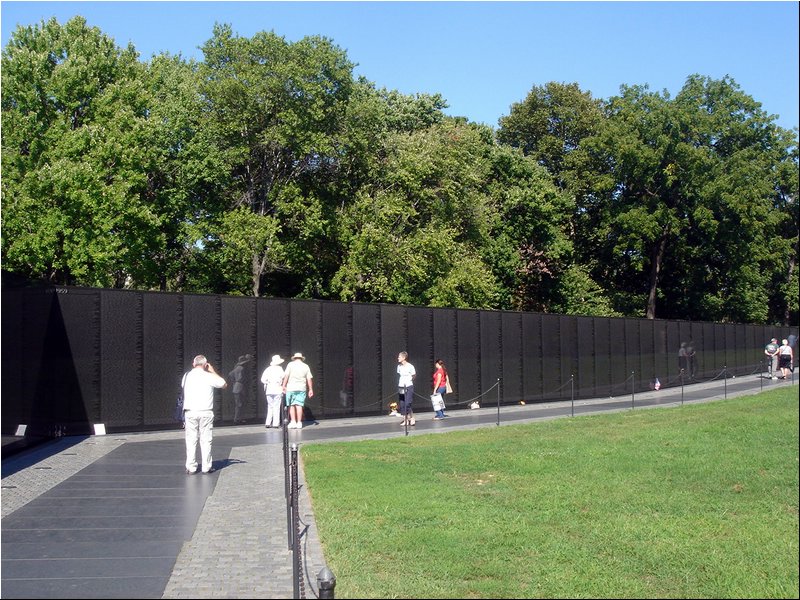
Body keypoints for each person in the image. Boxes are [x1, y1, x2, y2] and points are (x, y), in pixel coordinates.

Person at [182, 355, 227, 474]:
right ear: (205, 365)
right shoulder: (209, 376)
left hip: (190, 411)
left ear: (193, 364)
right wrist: (212, 371)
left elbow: (183, 387)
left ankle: (191, 467)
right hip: (205, 412)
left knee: (191, 440)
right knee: (206, 440)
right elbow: (224, 384)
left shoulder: (186, 376)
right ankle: (206, 466)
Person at [282, 352, 314, 429]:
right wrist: (310, 389)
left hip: (291, 387)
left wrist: (283, 385)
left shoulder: (290, 364)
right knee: (299, 405)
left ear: (294, 358)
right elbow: (309, 378)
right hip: (301, 388)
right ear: (301, 358)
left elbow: (286, 376)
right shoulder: (306, 366)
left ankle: (293, 421)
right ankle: (299, 422)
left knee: (291, 405)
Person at [261, 354, 285, 428]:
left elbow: (262, 379)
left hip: (269, 390)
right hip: (277, 389)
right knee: (276, 406)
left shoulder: (268, 369)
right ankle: (275, 423)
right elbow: (284, 377)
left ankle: (268, 422)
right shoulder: (280, 369)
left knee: (270, 406)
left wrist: (268, 383)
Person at [228, 354, 252, 424]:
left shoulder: (236, 367)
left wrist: (234, 382)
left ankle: (238, 418)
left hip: (237, 386)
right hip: (240, 387)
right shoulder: (241, 368)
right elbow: (243, 378)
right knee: (240, 404)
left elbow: (230, 374)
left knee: (239, 404)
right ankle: (237, 418)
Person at [397, 351, 416, 426]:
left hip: (408, 386)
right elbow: (399, 374)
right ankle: (405, 420)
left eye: (399, 357)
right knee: (402, 404)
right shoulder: (399, 366)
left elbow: (414, 375)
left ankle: (412, 417)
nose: (398, 358)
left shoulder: (410, 366)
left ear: (404, 358)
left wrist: (409, 380)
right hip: (401, 386)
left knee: (408, 403)